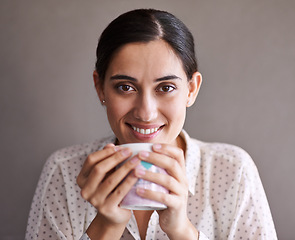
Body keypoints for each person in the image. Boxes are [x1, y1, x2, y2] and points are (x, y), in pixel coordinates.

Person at [25, 9, 277, 240]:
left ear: (191, 89)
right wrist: (106, 227)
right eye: (125, 87)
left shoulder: (232, 170)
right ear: (99, 87)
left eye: (166, 88)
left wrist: (181, 230)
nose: (146, 113)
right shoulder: (64, 171)